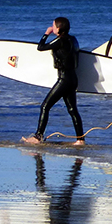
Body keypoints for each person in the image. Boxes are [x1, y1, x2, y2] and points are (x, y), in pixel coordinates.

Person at [24, 17, 85, 145]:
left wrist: (46, 33)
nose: (52, 27)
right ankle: (80, 140)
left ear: (58, 28)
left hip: (64, 79)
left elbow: (40, 47)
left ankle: (37, 137)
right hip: (73, 78)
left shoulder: (60, 40)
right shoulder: (73, 39)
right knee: (73, 110)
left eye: (53, 26)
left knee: (45, 106)